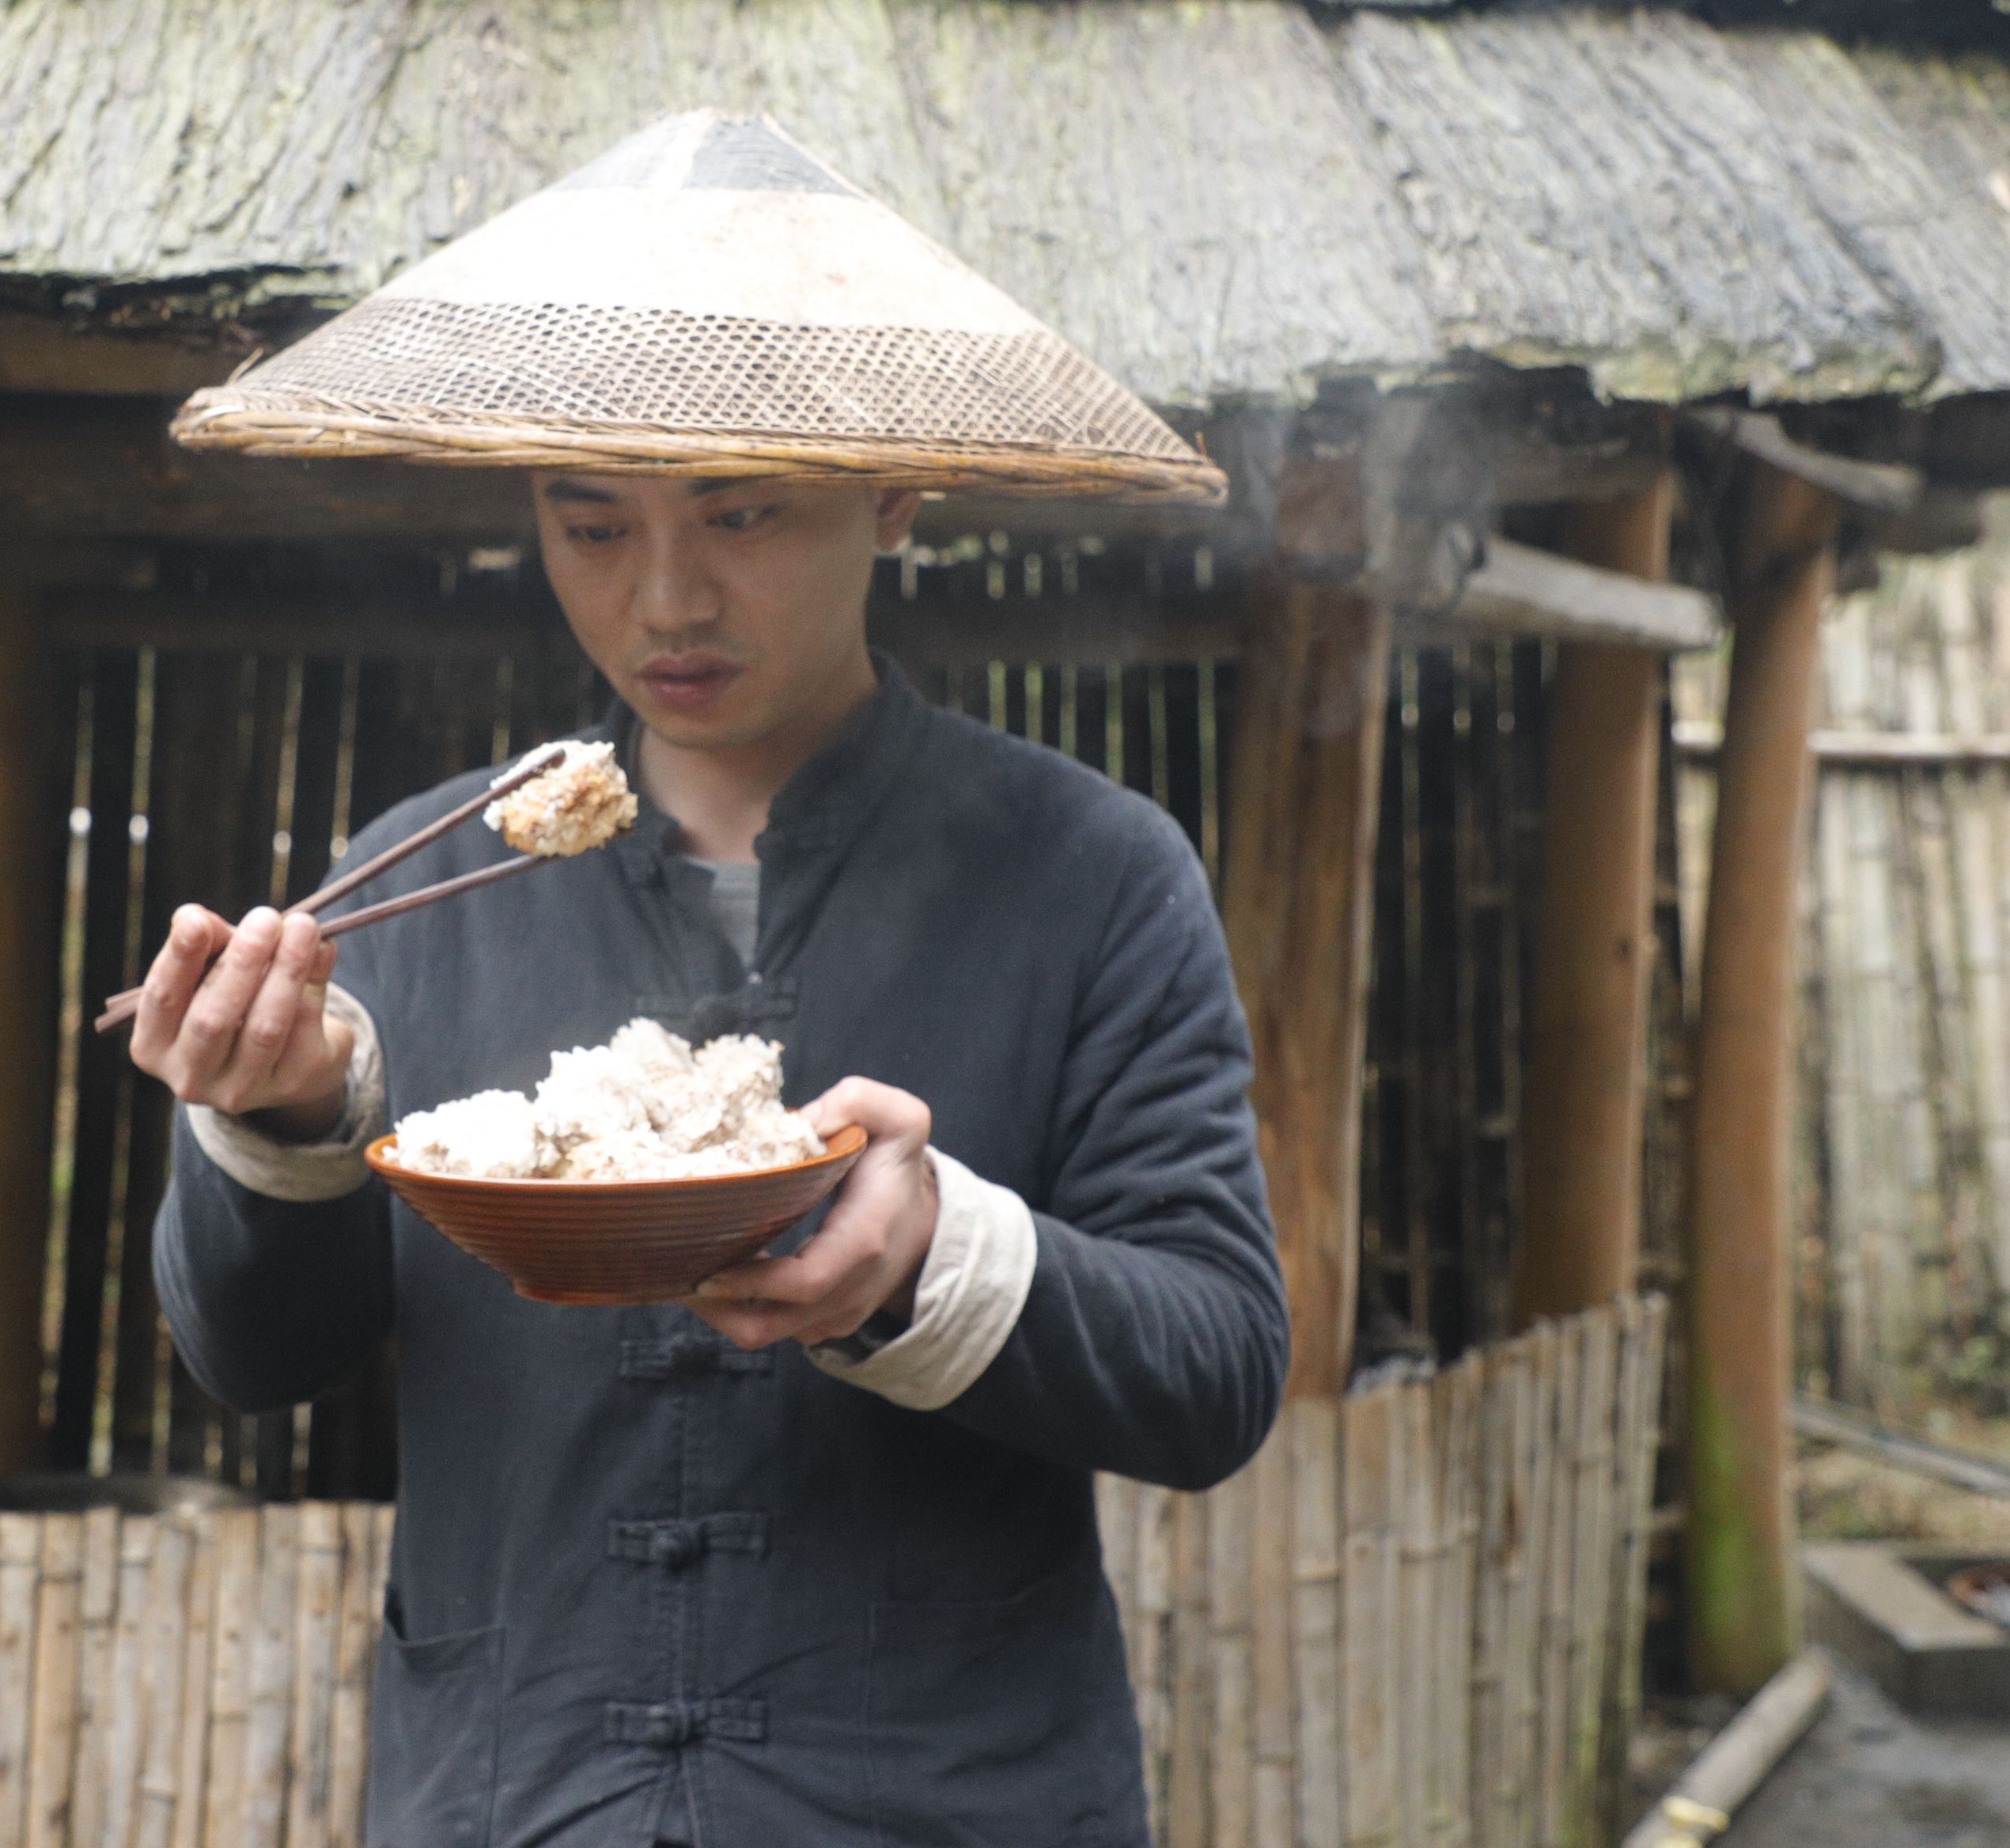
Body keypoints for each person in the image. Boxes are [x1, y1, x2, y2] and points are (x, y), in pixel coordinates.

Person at [135, 113, 1287, 1847]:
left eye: (742, 512)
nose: (664, 595)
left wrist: (934, 1260)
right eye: (589, 526)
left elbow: (1216, 1371)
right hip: (519, 1797)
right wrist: (284, 1122)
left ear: (895, 495)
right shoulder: (429, 882)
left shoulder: (1090, 873)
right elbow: (247, 1358)